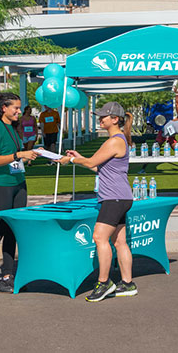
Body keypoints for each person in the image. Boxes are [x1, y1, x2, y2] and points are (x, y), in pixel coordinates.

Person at [57, 102, 138, 302]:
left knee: (99, 238)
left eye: (103, 116)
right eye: (99, 116)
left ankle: (104, 283)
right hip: (120, 196)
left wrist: (73, 160)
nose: (100, 119)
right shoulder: (117, 140)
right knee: (119, 241)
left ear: (115, 119)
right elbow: (99, 168)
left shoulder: (114, 141)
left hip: (114, 198)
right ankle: (127, 283)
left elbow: (93, 163)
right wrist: (81, 158)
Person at [0, 92, 38, 292]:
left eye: (19, 107)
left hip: (19, 184)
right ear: (3, 108)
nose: (19, 111)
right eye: (15, 107)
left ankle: (8, 274)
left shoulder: (14, 129)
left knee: (12, 230)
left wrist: (27, 156)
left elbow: (14, 158)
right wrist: (19, 154)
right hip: (2, 186)